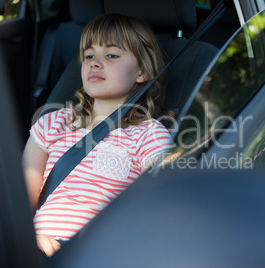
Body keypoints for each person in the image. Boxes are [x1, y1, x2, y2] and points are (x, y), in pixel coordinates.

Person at [22, 13, 174, 257]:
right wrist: (29, 237)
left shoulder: (148, 134)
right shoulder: (54, 122)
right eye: (89, 56)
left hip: (99, 253)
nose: (94, 62)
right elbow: (19, 205)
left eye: (111, 55)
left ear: (142, 72)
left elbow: (161, 205)